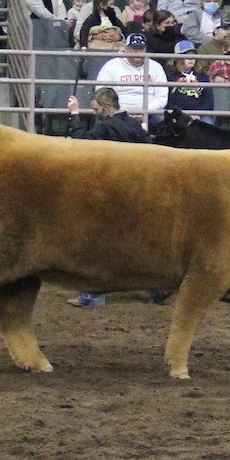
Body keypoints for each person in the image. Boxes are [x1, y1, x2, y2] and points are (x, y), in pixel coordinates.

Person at [65, 86, 152, 308]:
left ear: (104, 107)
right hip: (139, 192)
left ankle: (92, 295)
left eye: (95, 110)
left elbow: (80, 143)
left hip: (113, 193)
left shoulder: (108, 128)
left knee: (96, 244)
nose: (94, 114)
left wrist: (74, 115)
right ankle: (160, 288)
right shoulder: (133, 125)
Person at [95, 31, 168, 126]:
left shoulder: (155, 67)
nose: (138, 52)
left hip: (149, 114)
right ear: (126, 48)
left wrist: (145, 111)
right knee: (101, 121)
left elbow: (162, 97)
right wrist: (119, 112)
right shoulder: (111, 65)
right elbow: (102, 92)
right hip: (116, 114)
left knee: (162, 120)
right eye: (134, 48)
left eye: (141, 48)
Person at [166, 39, 214, 123]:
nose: (191, 58)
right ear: (177, 57)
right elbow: (167, 100)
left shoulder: (202, 76)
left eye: (193, 55)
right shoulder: (169, 75)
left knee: (208, 123)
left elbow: (209, 100)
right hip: (176, 114)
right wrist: (181, 114)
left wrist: (198, 114)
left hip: (199, 115)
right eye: (186, 55)